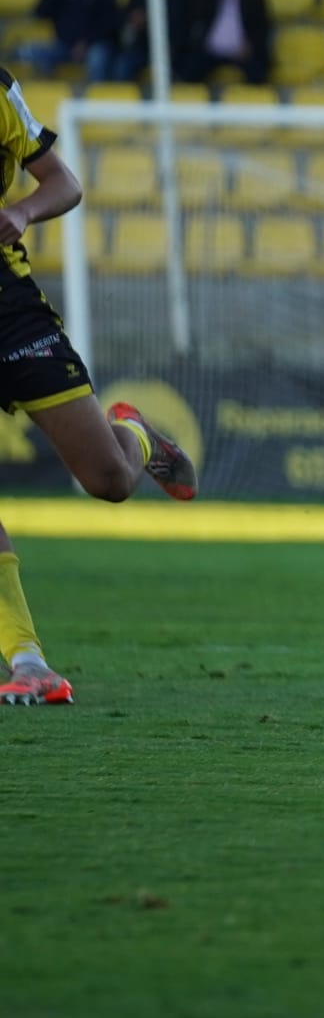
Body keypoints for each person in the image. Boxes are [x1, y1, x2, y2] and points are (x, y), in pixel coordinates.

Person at [0, 62, 199, 705]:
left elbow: (63, 182)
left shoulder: (1, 92)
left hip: (10, 308)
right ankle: (27, 659)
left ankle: (135, 437)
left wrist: (24, 212)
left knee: (109, 482)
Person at [114, 0, 196, 84]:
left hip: (176, 52)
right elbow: (121, 16)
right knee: (122, 65)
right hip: (143, 46)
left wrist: (174, 47)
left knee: (186, 68)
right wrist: (133, 21)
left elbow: (189, 30)